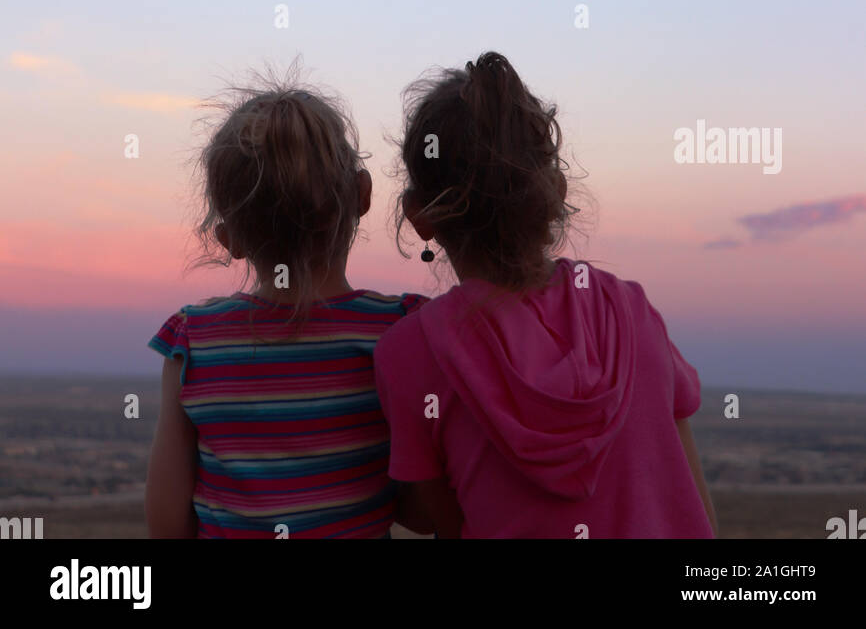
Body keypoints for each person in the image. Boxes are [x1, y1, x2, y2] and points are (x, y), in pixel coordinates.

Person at [374, 51, 718, 539]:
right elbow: (692, 502)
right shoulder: (633, 311)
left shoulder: (411, 353)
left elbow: (442, 521)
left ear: (418, 215)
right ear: (555, 190)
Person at [145, 74, 427, 538]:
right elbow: (422, 509)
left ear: (228, 237)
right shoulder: (399, 333)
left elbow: (166, 522)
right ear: (362, 194)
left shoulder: (192, 342)